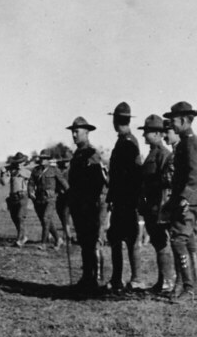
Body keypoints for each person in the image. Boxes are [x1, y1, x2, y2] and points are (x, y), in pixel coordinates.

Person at [163, 101, 197, 300]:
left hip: (190, 200)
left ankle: (189, 288)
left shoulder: (191, 141)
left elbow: (195, 172)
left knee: (178, 239)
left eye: (173, 120)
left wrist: (184, 197)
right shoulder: (184, 141)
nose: (171, 124)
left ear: (182, 120)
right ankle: (190, 286)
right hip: (186, 199)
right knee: (187, 241)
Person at [105, 102, 144, 291]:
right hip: (121, 200)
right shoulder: (123, 141)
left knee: (128, 239)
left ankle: (134, 279)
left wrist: (127, 200)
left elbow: (133, 175)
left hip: (126, 201)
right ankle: (117, 279)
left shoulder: (128, 143)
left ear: (115, 121)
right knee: (116, 238)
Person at [66, 117, 107, 291]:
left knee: (92, 242)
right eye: (73, 132)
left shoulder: (92, 154)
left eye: (77, 132)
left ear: (87, 132)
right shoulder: (77, 155)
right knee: (84, 242)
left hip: (90, 206)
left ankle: (96, 280)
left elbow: (99, 182)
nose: (74, 135)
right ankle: (87, 277)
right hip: (79, 206)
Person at [138, 114, 173, 294]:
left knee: (161, 243)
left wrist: (160, 209)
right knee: (157, 243)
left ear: (159, 134)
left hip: (158, 207)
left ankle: (167, 281)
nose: (144, 135)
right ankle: (162, 281)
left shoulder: (163, 154)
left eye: (148, 132)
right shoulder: (152, 153)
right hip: (150, 206)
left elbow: (165, 183)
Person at [28, 152, 63, 247]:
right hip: (38, 198)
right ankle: (58, 239)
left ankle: (43, 243)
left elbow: (63, 182)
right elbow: (31, 183)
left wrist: (67, 194)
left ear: (48, 160)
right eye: (41, 158)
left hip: (50, 198)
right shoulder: (36, 170)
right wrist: (31, 192)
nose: (43, 161)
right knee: (45, 220)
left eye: (45, 158)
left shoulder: (54, 170)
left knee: (46, 218)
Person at [0, 152, 32, 247]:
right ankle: (23, 236)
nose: (19, 164)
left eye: (21, 162)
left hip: (23, 196)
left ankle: (19, 239)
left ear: (24, 162)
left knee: (20, 217)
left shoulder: (27, 171)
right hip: (13, 197)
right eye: (17, 162)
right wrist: (3, 173)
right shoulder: (11, 171)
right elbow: (4, 183)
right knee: (15, 218)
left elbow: (30, 178)